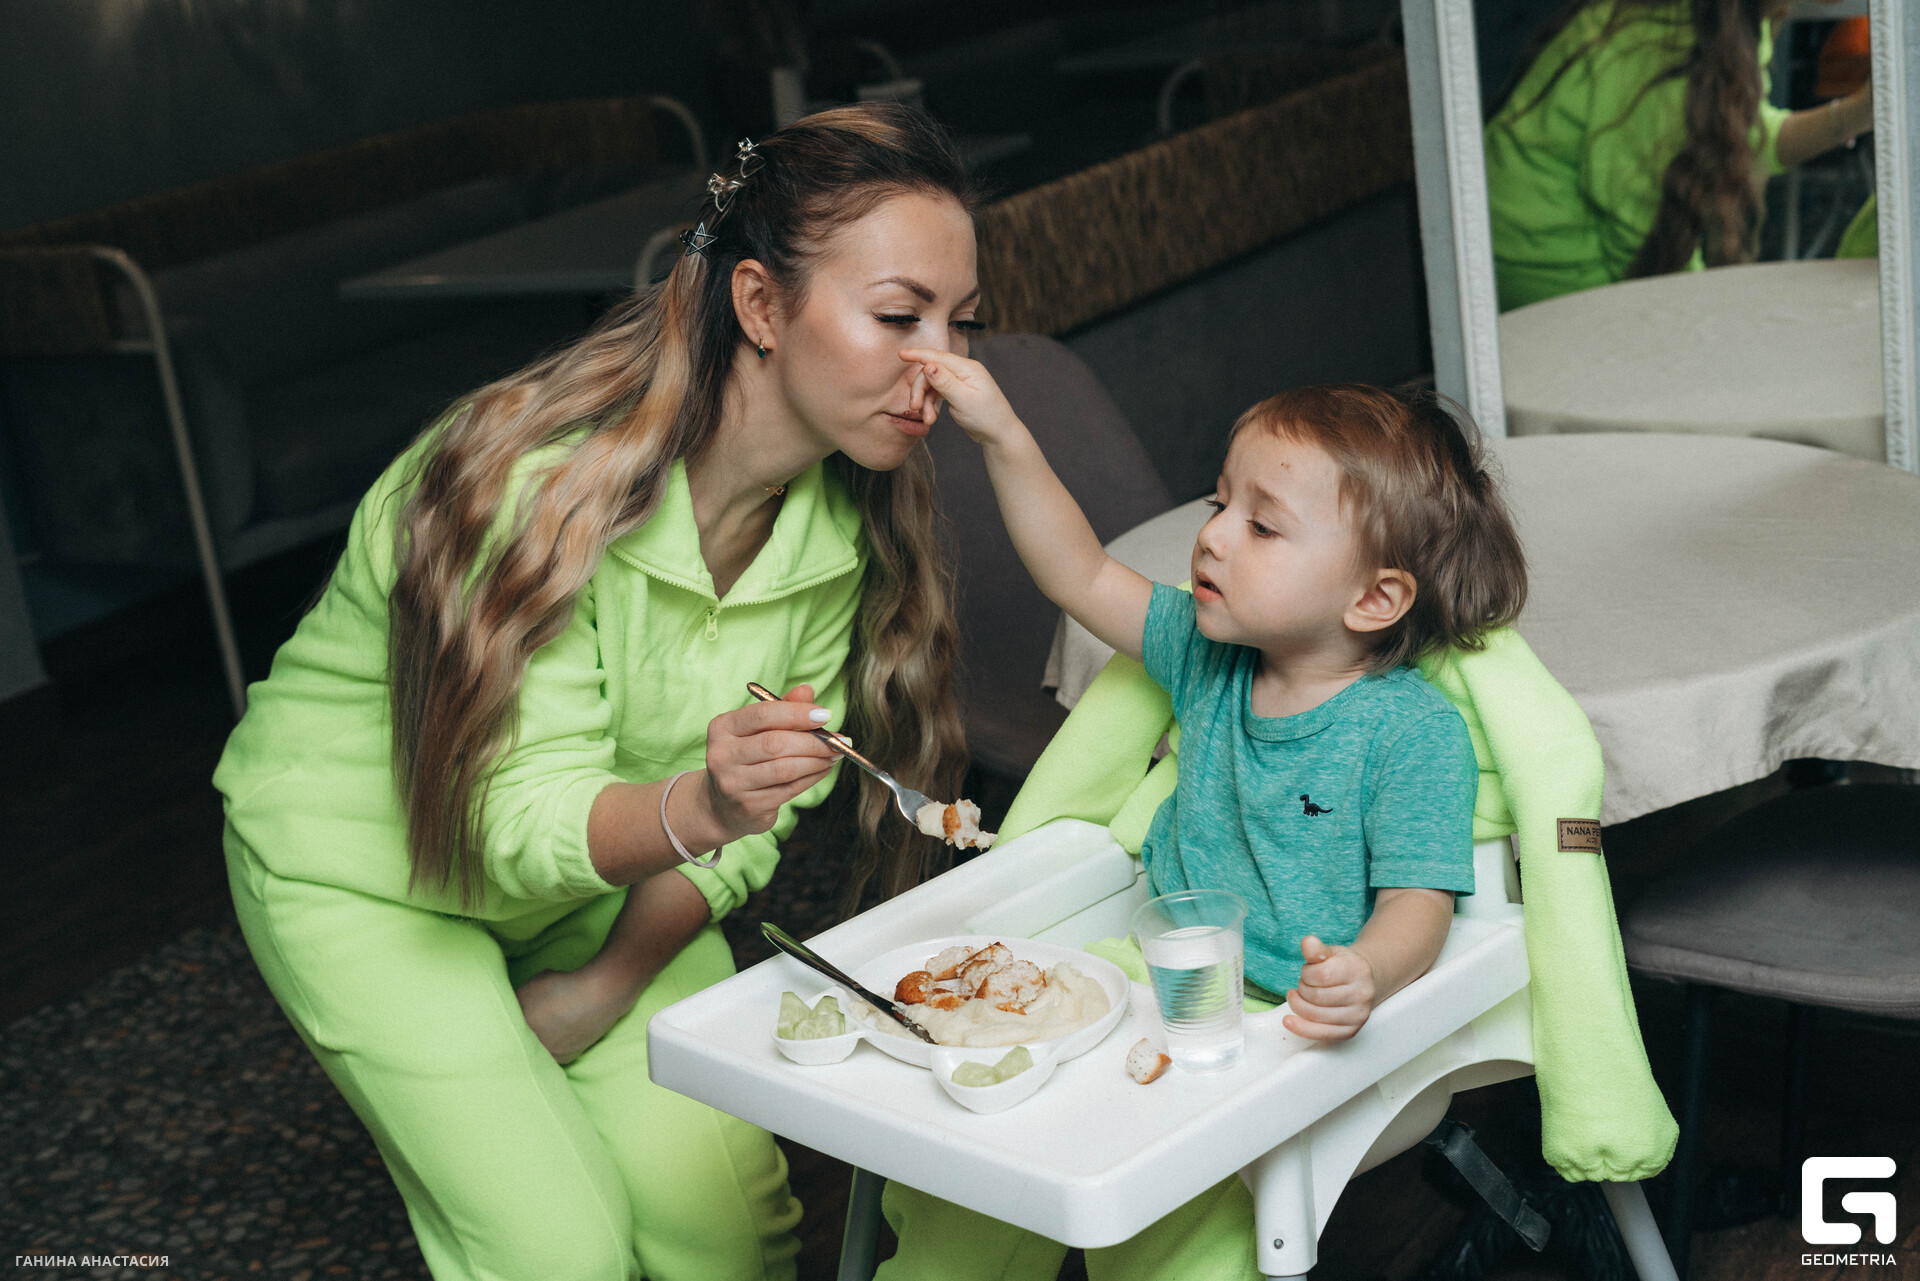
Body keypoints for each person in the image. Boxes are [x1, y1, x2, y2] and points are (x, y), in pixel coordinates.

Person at [212, 102, 979, 1281]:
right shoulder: (524, 489)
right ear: (761, 306)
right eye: (898, 316)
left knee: (730, 1237)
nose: (944, 366)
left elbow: (746, 829)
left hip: (601, 888)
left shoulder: (838, 533)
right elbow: (514, 825)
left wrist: (607, 982)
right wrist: (705, 805)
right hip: (370, 880)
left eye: (961, 324)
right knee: (557, 1250)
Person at [870, 367, 1528, 1277]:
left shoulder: (1410, 734)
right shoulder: (1206, 653)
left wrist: (1365, 973)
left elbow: (1419, 902)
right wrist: (1004, 435)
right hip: (1150, 982)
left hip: (1284, 1030)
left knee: (1180, 1226)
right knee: (981, 1161)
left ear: (1375, 599)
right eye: (1220, 504)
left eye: (1261, 525)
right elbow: (1078, 571)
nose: (1211, 536)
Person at [1484, 0, 1874, 311]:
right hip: (1547, 271)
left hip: (1592, 253)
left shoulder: (1728, 17)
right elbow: (1641, 247)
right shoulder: (1665, 44)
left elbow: (1744, 136)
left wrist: (1857, 113)